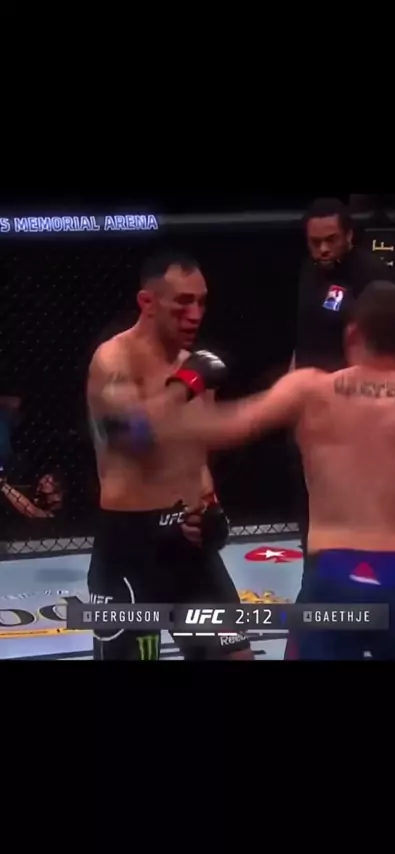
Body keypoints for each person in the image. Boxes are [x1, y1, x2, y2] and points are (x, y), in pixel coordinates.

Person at [160, 281, 395, 659]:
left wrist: (181, 389)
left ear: (352, 334)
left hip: (331, 578)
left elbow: (218, 430)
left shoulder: (312, 390)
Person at [86, 251, 253, 660]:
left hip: (186, 546)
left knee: (235, 656)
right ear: (147, 302)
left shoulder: (194, 368)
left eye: (201, 302)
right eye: (182, 302)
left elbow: (195, 458)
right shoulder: (114, 360)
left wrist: (212, 511)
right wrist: (184, 386)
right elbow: (130, 437)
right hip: (129, 548)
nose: (195, 314)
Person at [292, 197, 395, 550]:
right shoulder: (309, 271)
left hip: (357, 408)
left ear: (349, 236)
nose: (322, 249)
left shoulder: (373, 278)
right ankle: (313, 564)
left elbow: (386, 350)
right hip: (313, 405)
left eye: (330, 240)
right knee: (310, 497)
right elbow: (304, 334)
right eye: (315, 242)